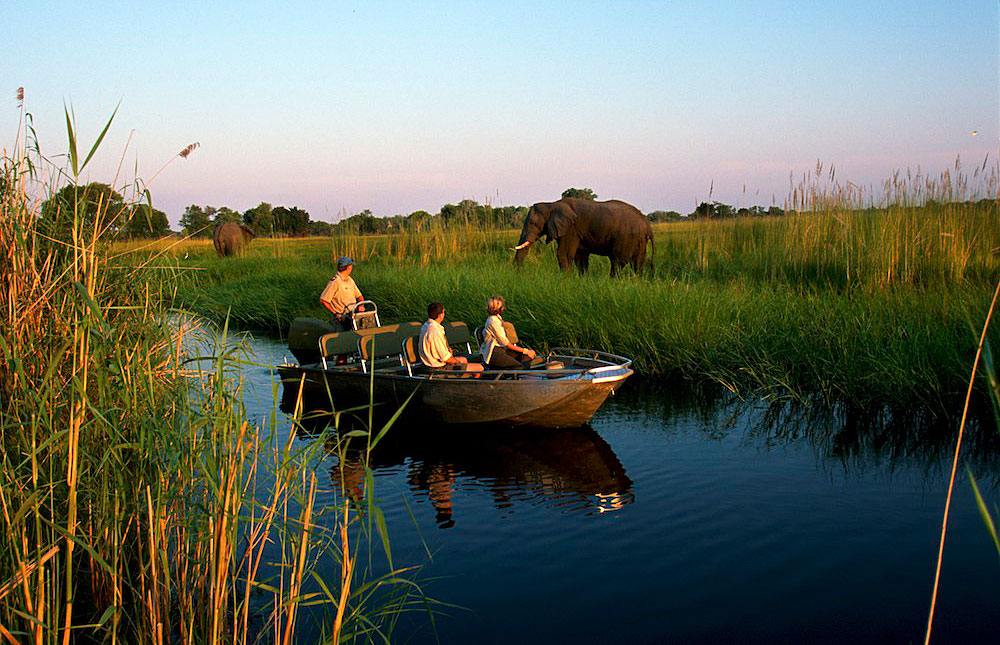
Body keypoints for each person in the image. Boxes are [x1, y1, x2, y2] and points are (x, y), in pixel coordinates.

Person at [419, 302, 484, 373]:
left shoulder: (427, 325)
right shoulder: (434, 331)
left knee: (466, 359)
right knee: (479, 368)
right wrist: (459, 363)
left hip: (436, 362)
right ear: (440, 315)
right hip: (438, 367)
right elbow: (446, 358)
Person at [482, 296, 539, 369]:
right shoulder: (493, 321)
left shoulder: (498, 318)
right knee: (519, 366)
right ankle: (516, 375)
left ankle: (521, 375)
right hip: (495, 352)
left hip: (504, 350)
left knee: (526, 357)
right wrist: (526, 351)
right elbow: (506, 344)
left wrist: (526, 353)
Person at [320, 256, 365, 330]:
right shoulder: (335, 281)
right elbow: (323, 300)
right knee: (341, 339)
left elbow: (359, 296)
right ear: (348, 267)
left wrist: (361, 305)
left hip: (353, 316)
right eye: (351, 266)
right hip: (341, 319)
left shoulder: (350, 280)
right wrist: (335, 313)